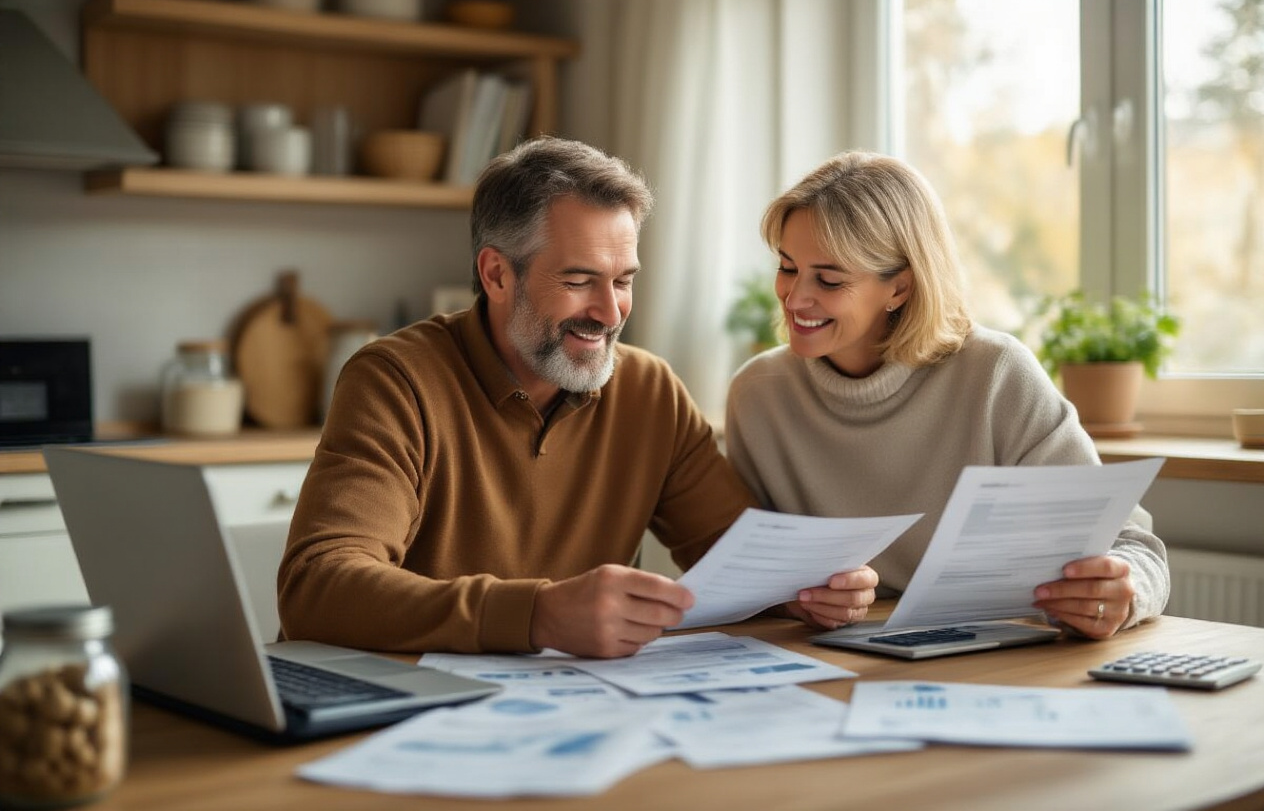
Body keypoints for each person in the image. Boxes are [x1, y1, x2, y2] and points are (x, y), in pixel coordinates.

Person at [277, 137, 865, 659]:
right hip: (392, 713)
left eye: (624, 281)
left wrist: (813, 591)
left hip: (576, 715)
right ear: (496, 275)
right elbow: (317, 587)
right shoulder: (395, 381)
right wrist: (539, 615)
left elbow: (746, 566)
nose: (610, 314)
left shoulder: (649, 391)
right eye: (579, 281)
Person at [725, 151, 1169, 640]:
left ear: (900, 288)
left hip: (999, 656)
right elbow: (747, 571)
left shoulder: (996, 374)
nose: (795, 297)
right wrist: (792, 598)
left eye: (829, 280)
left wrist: (1121, 592)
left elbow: (1132, 545)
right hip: (838, 660)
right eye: (788, 268)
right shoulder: (759, 395)